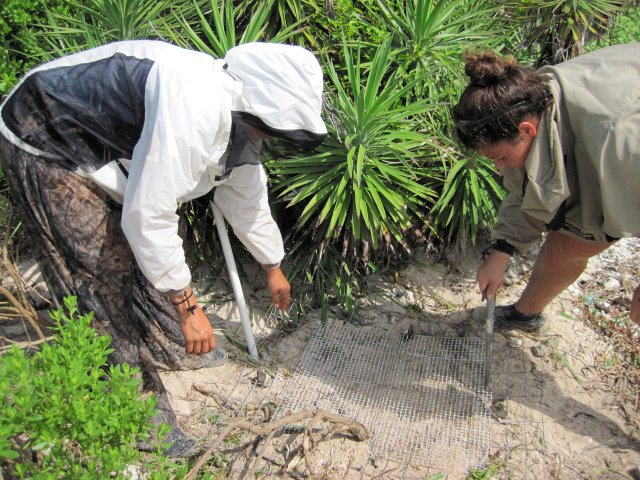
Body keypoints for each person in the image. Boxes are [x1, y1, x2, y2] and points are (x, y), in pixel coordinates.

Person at [0, 40, 327, 454]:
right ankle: (139, 416)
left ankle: (169, 345)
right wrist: (188, 306)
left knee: (141, 256)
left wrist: (272, 264)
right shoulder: (194, 106)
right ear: (253, 104)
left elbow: (245, 196)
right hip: (46, 134)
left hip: (104, 145)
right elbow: (149, 215)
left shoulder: (240, 119)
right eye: (271, 126)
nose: (268, 135)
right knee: (98, 274)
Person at [451, 43, 640, 332]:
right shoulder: (529, 100)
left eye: (499, 157)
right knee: (567, 244)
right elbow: (530, 182)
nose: (498, 167)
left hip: (623, 138)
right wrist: (502, 250)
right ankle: (525, 316)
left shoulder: (623, 142)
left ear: (526, 131)